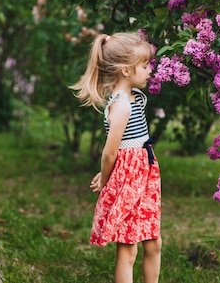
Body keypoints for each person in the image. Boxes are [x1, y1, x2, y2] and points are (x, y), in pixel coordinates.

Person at [70, 32, 162, 283]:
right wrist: (105, 178)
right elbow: (111, 151)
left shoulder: (132, 99)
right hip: (131, 179)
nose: (149, 71)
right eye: (144, 66)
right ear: (125, 70)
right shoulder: (121, 105)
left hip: (144, 175)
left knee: (153, 241)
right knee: (128, 246)